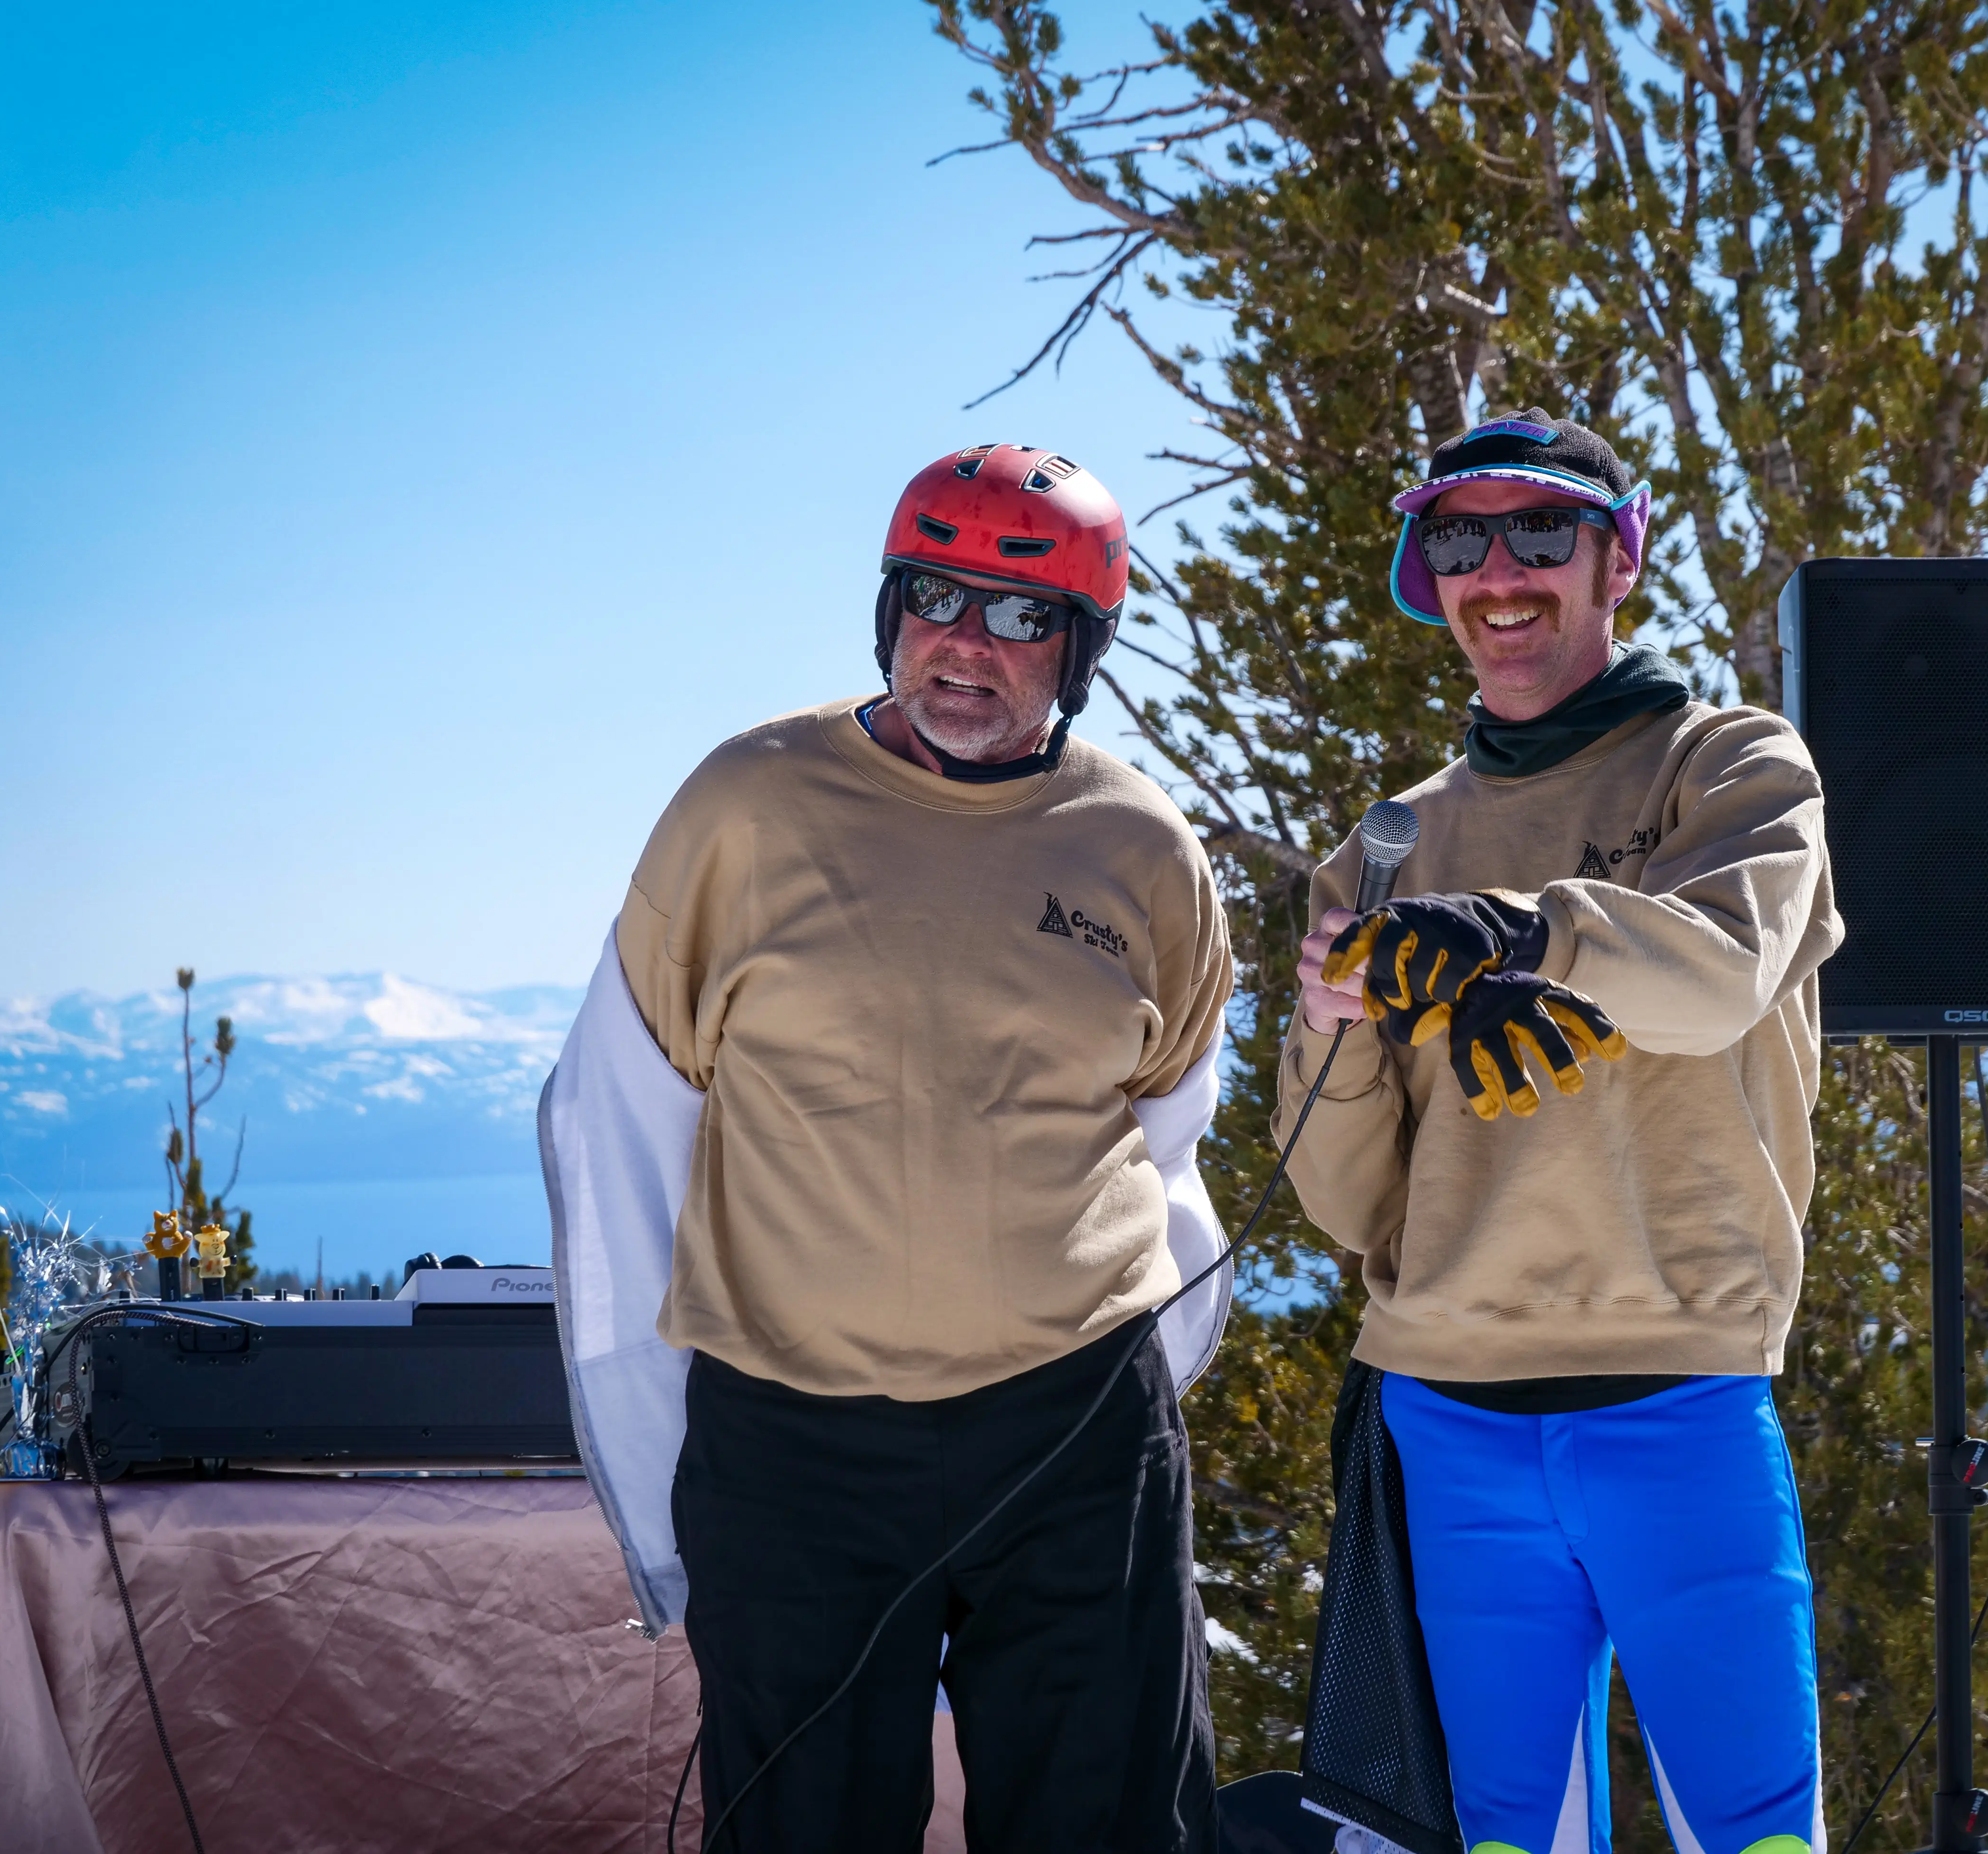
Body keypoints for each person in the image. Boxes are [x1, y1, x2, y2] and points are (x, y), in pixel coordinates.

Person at [540, 443, 1235, 1852]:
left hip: (1074, 1434)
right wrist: (655, 1458)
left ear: (1083, 647)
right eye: (936, 597)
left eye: (1023, 616)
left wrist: (1134, 1368)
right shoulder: (745, 808)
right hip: (797, 1441)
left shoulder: (1141, 847)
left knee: (1110, 1825)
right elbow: (615, 1128)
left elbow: (1165, 1137)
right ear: (888, 611)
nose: (968, 647)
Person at [1278, 411, 1843, 1854]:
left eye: (1544, 531)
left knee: (1762, 1840)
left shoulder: (1730, 768)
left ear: (1617, 560)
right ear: (1430, 577)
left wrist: (1535, 934)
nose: (1500, 571)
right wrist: (1335, 1025)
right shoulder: (1391, 845)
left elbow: (1719, 975)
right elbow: (1348, 1204)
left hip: (1683, 1396)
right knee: (1492, 1843)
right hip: (1448, 1416)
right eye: (1459, 539)